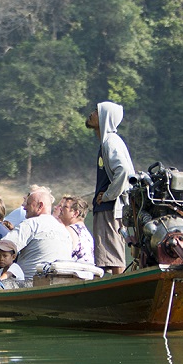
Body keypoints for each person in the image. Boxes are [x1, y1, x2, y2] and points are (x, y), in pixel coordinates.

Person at [87, 101, 134, 275]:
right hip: (105, 207)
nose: (91, 114)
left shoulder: (110, 143)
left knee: (113, 255)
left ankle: (119, 288)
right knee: (108, 255)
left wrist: (107, 195)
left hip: (110, 207)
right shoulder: (107, 142)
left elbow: (123, 171)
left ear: (105, 118)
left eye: (96, 112)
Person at [1, 186, 72, 282]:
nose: (24, 207)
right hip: (59, 283)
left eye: (28, 204)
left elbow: (3, 247)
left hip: (30, 284)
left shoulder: (30, 224)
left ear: (40, 206)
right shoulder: (64, 231)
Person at [54, 194, 95, 265]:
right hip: (87, 274)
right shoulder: (87, 234)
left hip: (73, 273)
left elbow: (59, 256)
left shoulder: (69, 230)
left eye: (65, 207)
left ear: (75, 213)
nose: (61, 209)